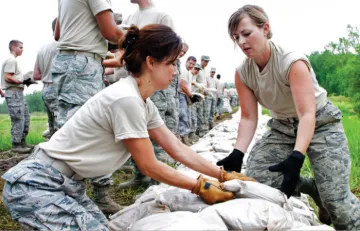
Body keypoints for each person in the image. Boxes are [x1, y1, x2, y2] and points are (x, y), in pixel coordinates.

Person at [1, 24, 255, 230]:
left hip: (69, 185)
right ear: (151, 62)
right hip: (37, 185)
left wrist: (220, 174)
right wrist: (199, 186)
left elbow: (177, 149)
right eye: (172, 63)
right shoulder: (126, 100)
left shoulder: (142, 103)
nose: (176, 72)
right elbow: (149, 165)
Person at [216, 5, 360, 230]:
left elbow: (307, 113)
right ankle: (310, 187)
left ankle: (327, 196)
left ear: (265, 29)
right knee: (258, 179)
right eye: (236, 37)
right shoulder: (243, 72)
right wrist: (237, 152)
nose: (241, 42)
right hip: (283, 126)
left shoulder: (291, 62)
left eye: (246, 33)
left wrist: (296, 157)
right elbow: (248, 118)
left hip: (321, 123)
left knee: (336, 202)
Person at [52, 0, 125, 215]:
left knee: (67, 128)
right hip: (83, 64)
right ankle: (96, 196)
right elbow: (111, 31)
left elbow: (58, 33)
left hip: (66, 63)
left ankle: (65, 193)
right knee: (91, 129)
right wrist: (139, 41)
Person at [119, 0, 180, 189]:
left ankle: (158, 181)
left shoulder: (161, 16)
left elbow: (168, 53)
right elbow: (123, 51)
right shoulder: (130, 18)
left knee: (157, 134)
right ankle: (143, 175)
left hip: (154, 82)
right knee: (140, 132)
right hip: (137, 80)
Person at [1, 40, 36, 153]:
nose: (22, 49)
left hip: (18, 93)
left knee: (25, 117)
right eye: (20, 47)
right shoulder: (11, 60)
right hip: (14, 93)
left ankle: (22, 142)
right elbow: (7, 77)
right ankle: (16, 145)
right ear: (13, 47)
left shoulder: (13, 61)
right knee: (18, 118)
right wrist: (22, 81)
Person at [33, 18, 59, 139]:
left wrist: (47, 72)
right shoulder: (62, 45)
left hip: (46, 89)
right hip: (57, 88)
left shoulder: (42, 49)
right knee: (61, 124)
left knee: (52, 125)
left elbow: (36, 75)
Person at [178, 58, 202, 145]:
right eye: (190, 63)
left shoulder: (189, 73)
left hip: (185, 96)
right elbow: (183, 86)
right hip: (182, 96)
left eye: (193, 64)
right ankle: (183, 137)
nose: (191, 65)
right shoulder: (185, 72)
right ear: (186, 62)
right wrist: (191, 96)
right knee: (184, 116)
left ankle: (185, 136)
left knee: (186, 116)